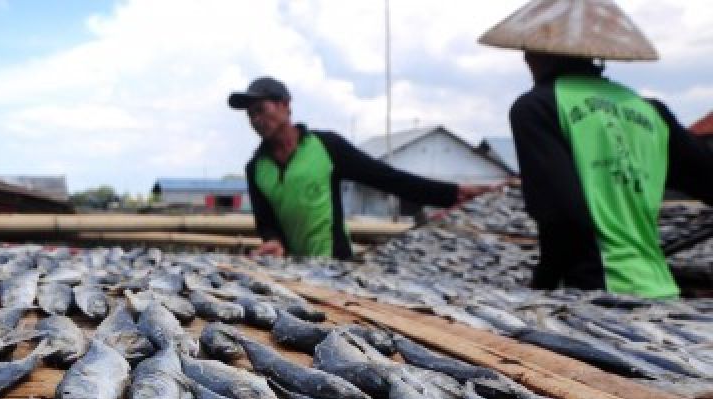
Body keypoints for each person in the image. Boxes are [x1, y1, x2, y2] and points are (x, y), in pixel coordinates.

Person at [480, 0, 713, 298]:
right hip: (659, 286)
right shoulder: (651, 111)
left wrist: (542, 286)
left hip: (592, 293)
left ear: (537, 54)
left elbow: (559, 213)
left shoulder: (537, 107)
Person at [227, 76, 489, 260]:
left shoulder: (326, 146)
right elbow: (265, 222)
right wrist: (272, 241)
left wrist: (452, 193)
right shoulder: (255, 168)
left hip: (336, 265)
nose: (256, 119)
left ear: (285, 104)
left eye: (261, 109)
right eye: (251, 115)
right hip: (291, 272)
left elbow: (386, 178)